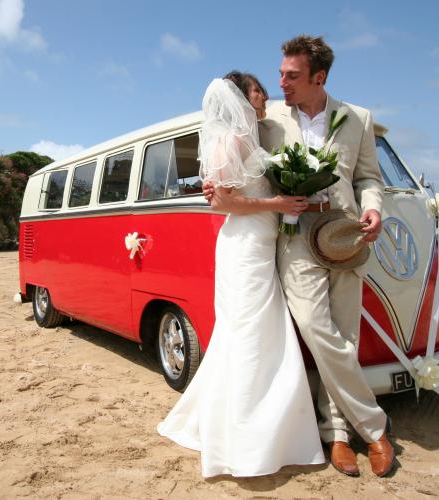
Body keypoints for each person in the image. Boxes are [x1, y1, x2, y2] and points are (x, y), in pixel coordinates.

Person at [207, 36, 394, 478]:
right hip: (294, 237)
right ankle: (374, 428)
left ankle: (338, 435)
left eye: (291, 76)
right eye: (280, 74)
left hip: (347, 236)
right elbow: (232, 143)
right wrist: (216, 184)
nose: (281, 83)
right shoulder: (267, 117)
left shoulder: (358, 119)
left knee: (343, 337)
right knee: (315, 328)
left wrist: (374, 208)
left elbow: (369, 177)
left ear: (319, 77)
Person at [157, 73, 325, 478]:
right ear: (238, 98)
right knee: (253, 332)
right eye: (258, 95)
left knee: (257, 332)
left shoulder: (251, 138)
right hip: (245, 246)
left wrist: (289, 203)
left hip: (263, 241)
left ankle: (263, 425)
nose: (264, 100)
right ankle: (249, 438)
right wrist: (278, 201)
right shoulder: (228, 141)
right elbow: (224, 203)